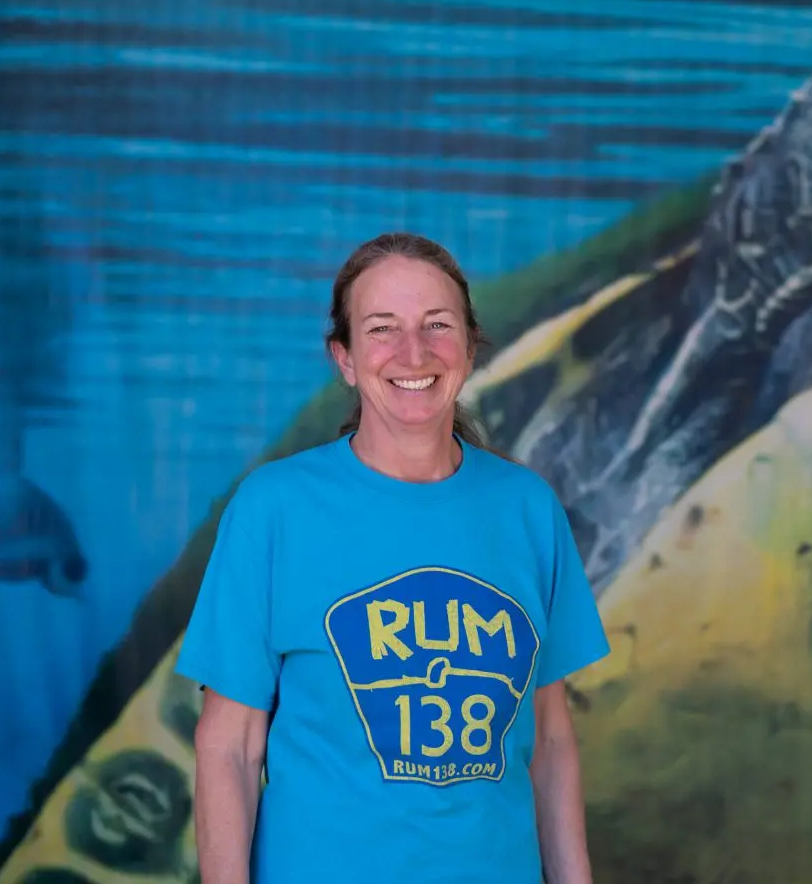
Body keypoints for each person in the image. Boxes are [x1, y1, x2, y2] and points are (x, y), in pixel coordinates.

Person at [177, 232, 610, 883]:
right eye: (382, 329)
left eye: (438, 325)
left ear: (468, 345)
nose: (415, 352)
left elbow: (549, 742)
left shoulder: (526, 509)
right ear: (345, 358)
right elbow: (229, 746)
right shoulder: (275, 510)